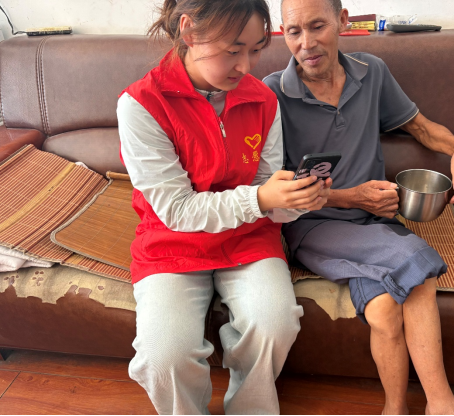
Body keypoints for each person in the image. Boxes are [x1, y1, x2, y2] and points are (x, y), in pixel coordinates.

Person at [264, 0, 454, 415]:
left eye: (317, 26)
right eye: (293, 31)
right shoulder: (272, 92)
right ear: (283, 33)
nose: (306, 43)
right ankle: (442, 403)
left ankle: (395, 408)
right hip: (313, 223)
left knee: (383, 310)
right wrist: (350, 196)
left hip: (374, 220)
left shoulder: (372, 72)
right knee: (417, 264)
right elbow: (274, 187)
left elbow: (419, 127)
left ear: (342, 21)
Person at [117, 0, 331, 414]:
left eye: (255, 50)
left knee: (275, 323)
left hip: (248, 239)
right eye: (233, 50)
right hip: (172, 243)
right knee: (163, 355)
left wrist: (296, 200)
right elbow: (177, 209)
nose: (246, 66)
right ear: (189, 31)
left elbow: (267, 189)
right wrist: (262, 198)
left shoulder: (263, 99)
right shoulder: (141, 104)